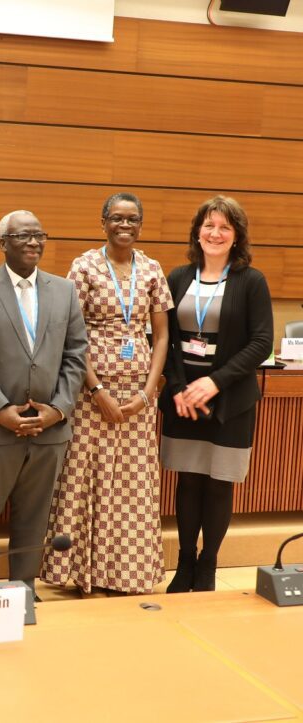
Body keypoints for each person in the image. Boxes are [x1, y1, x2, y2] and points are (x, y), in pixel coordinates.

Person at [41, 193, 173, 595]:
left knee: (133, 483)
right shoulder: (84, 267)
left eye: (132, 219)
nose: (124, 225)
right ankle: (81, 573)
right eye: (116, 218)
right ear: (103, 223)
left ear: (140, 224)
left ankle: (125, 574)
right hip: (90, 393)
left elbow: (163, 334)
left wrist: (148, 394)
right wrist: (96, 389)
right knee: (86, 477)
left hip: (138, 398)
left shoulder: (151, 269)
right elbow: (70, 334)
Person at [0, 211, 87, 596]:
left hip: (50, 429)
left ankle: (22, 593)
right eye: (22, 235)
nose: (33, 242)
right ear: (3, 243)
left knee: (34, 518)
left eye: (39, 235)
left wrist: (58, 409)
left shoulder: (64, 290)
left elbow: (77, 353)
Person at [159, 195, 273, 593]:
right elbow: (163, 339)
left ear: (237, 236)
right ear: (197, 231)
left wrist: (214, 382)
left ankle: (208, 565)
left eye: (225, 227)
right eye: (209, 225)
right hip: (183, 400)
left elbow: (261, 342)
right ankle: (185, 563)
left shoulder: (251, 281)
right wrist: (177, 388)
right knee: (188, 481)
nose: (215, 233)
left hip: (230, 400)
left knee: (219, 482)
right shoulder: (177, 277)